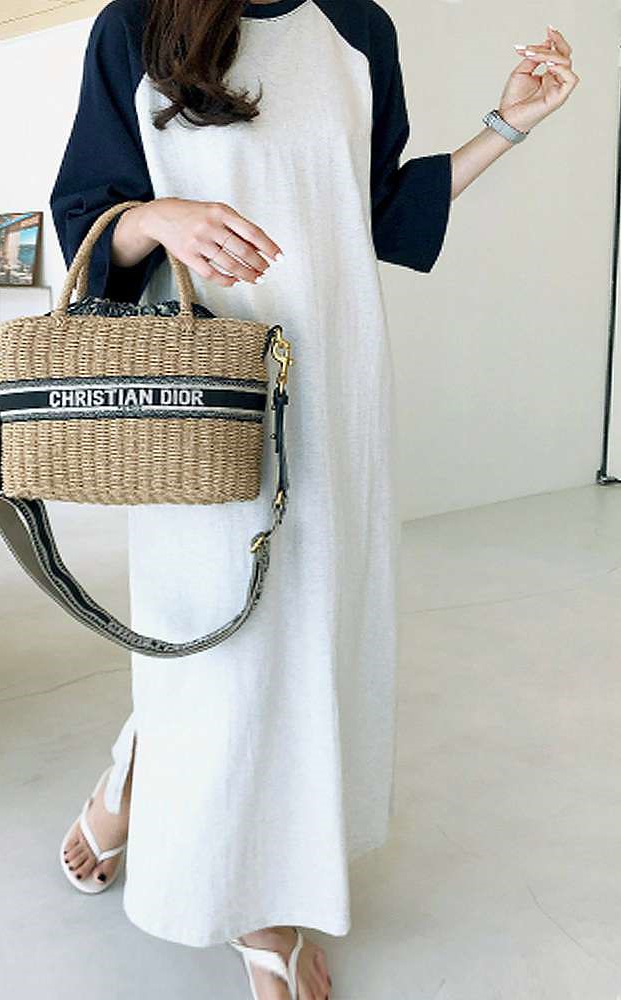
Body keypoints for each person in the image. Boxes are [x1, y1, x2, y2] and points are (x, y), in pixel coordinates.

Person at [49, 3, 578, 997]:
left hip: (333, 374)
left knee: (304, 634)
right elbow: (88, 210)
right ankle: (255, 898)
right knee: (217, 635)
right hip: (201, 385)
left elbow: (372, 207)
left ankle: (141, 782)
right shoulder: (137, 23)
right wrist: (159, 217)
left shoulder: (359, 27)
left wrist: (507, 124)